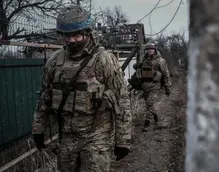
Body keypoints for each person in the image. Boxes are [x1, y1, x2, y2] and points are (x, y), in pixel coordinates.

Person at [32, 6, 132, 172]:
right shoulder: (55, 62)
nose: (71, 40)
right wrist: (38, 128)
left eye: (76, 35)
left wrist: (123, 140)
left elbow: (121, 100)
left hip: (96, 135)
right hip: (67, 136)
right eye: (67, 36)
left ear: (87, 33)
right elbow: (44, 97)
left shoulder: (104, 61)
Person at [140, 43, 171, 131]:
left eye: (151, 49)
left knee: (149, 103)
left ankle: (146, 124)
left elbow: (166, 75)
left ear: (155, 50)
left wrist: (167, 88)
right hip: (145, 85)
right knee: (149, 105)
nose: (150, 50)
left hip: (155, 85)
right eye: (148, 49)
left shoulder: (160, 61)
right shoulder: (144, 59)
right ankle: (156, 118)